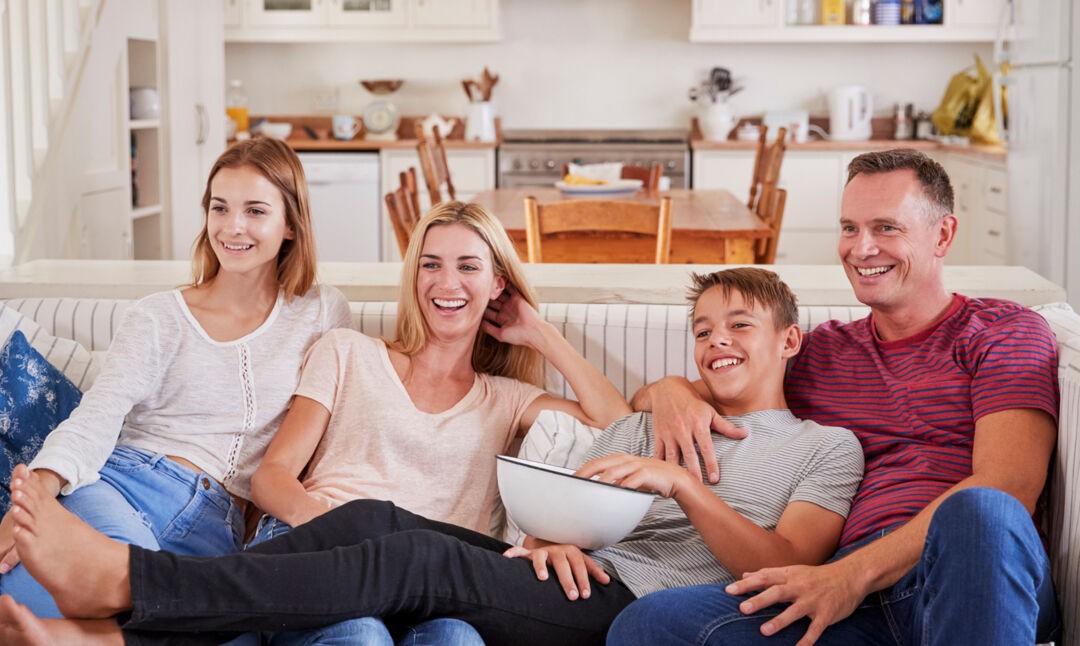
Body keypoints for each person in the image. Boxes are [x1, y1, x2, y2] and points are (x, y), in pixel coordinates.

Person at [0, 267, 864, 646]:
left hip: (640, 610)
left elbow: (789, 561)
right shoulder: (663, 415)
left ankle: (126, 586)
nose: (716, 343)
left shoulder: (827, 447)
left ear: (790, 340)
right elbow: (583, 483)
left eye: (738, 328)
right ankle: (112, 636)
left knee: (411, 557)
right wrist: (553, 536)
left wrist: (681, 481)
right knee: (370, 520)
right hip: (573, 576)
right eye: (703, 329)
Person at [607, 148, 1061, 645]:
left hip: (965, 576)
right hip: (852, 599)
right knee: (650, 623)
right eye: (850, 228)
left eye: (886, 228)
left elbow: (1007, 484)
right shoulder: (824, 351)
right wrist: (672, 391)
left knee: (981, 512)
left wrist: (853, 574)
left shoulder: (1004, 332)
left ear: (943, 235)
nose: (862, 248)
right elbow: (661, 393)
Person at [244, 200, 636, 646]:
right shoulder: (347, 352)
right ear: (415, 278)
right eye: (431, 265)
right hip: (324, 552)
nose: (447, 283)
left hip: (431, 590)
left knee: (457, 639)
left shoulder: (506, 399)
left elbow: (619, 425)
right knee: (362, 636)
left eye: (468, 267)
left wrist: (539, 333)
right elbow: (271, 478)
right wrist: (338, 531)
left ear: (497, 285)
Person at [0, 138, 351, 626]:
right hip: (121, 486)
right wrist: (35, 493)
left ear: (290, 223)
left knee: (196, 620)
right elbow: (99, 413)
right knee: (27, 598)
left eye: (255, 210)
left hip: (217, 530)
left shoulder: (321, 311)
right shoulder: (159, 316)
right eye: (219, 207)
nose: (232, 227)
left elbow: (338, 421)